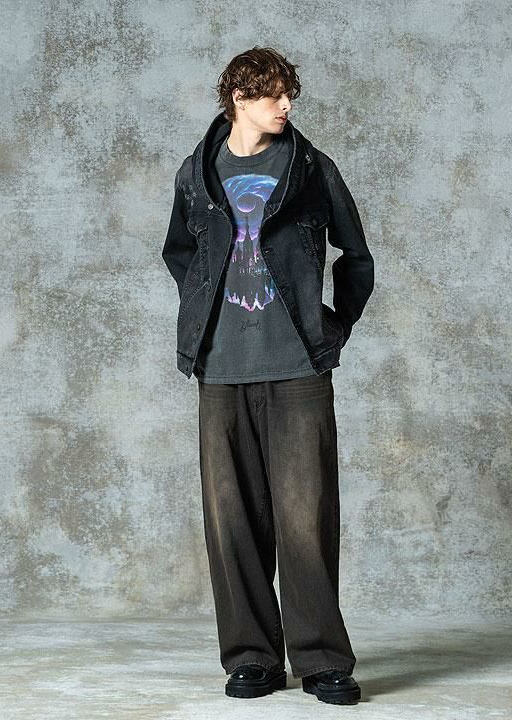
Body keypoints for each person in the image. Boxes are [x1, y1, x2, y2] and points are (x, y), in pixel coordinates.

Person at [162, 46, 374, 705]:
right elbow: (180, 253)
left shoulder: (311, 169)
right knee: (231, 519)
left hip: (298, 367)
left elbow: (356, 255)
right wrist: (206, 315)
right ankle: (252, 657)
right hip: (221, 370)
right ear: (240, 98)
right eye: (274, 94)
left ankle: (322, 660)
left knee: (306, 517)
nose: (286, 105)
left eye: (289, 94)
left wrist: (332, 325)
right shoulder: (197, 174)